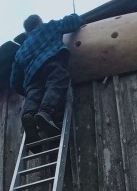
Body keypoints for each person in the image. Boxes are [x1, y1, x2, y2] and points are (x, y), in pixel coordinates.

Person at [10, 12, 85, 141]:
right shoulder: (49, 27)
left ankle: (28, 115)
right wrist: (76, 16)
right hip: (51, 63)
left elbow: (14, 81)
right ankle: (45, 112)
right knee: (57, 81)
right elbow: (71, 22)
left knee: (33, 94)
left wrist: (24, 91)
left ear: (26, 32)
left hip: (31, 78)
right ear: (40, 22)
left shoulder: (20, 51)